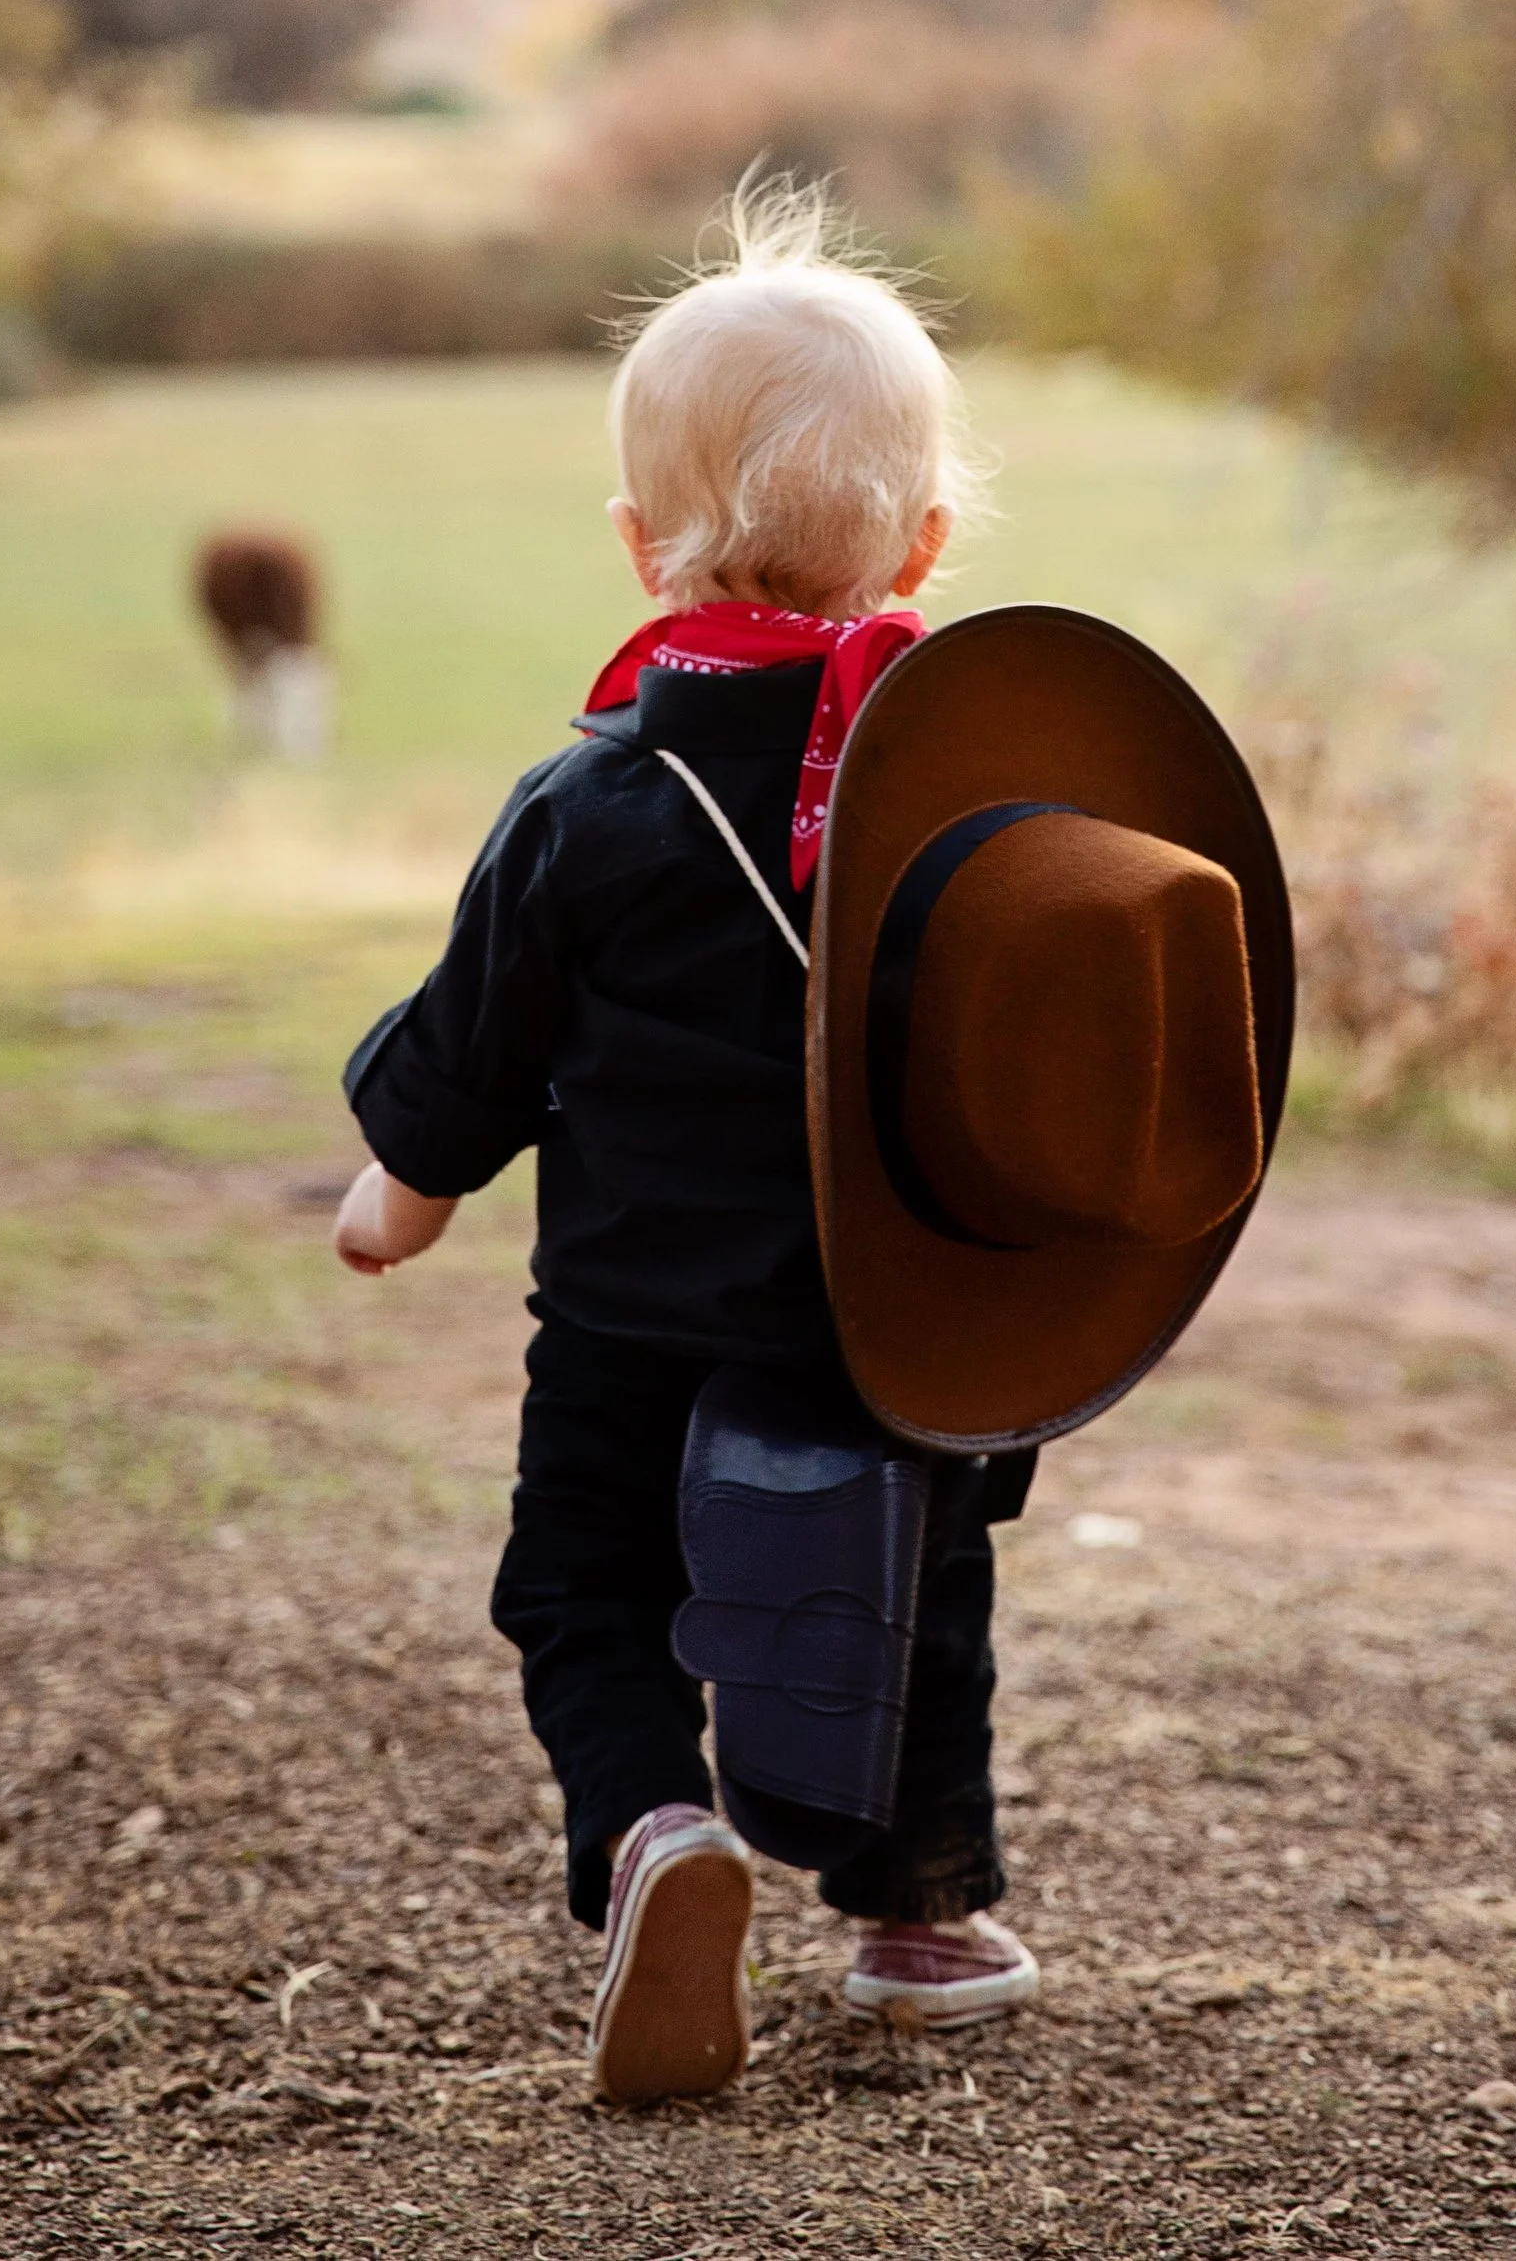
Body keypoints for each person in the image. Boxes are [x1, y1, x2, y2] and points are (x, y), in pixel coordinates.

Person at [329, 183, 1039, 2104]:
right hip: (890, 1315)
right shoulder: (968, 793)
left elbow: (477, 1038)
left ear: (641, 548)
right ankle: (921, 1919)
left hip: (632, 1318)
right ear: (928, 539)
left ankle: (654, 1822)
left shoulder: (589, 805)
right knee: (916, 1589)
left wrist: (400, 1192)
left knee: (584, 1581)